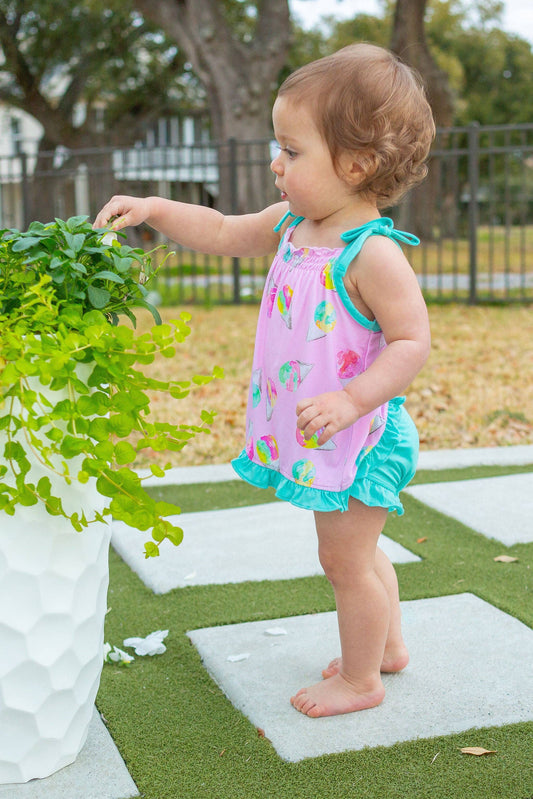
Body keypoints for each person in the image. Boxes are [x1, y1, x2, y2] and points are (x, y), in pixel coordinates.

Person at [94, 42, 435, 718]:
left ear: (356, 163)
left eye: (292, 151)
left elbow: (411, 342)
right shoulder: (291, 224)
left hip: (361, 434)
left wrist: (351, 397)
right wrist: (157, 207)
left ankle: (361, 677)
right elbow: (220, 229)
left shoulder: (371, 253)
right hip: (331, 427)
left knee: (343, 561)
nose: (275, 164)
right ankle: (387, 646)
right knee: (358, 554)